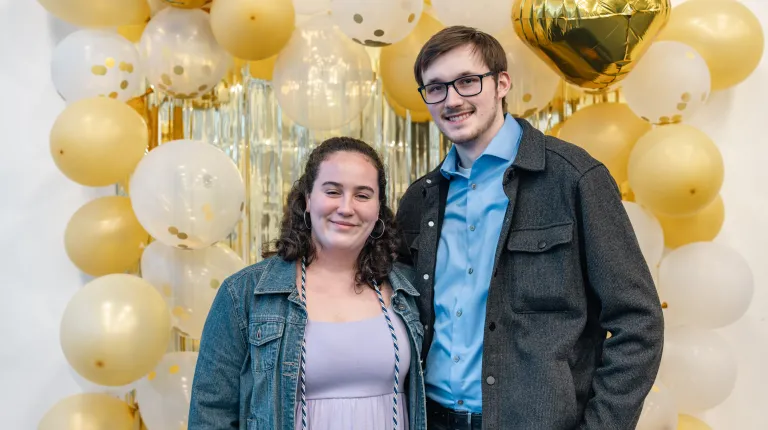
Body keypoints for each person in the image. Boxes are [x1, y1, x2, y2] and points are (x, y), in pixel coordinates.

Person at [395, 26, 664, 430]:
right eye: (435, 88)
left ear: (502, 83)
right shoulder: (420, 199)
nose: (452, 100)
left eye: (467, 82)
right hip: (428, 419)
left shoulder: (574, 179)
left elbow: (638, 321)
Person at [188, 137, 428, 430]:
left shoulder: (408, 289)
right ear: (307, 200)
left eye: (363, 195)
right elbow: (210, 414)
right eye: (332, 191)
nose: (346, 207)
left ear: (378, 209)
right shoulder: (244, 294)